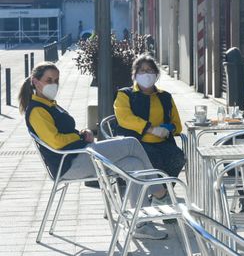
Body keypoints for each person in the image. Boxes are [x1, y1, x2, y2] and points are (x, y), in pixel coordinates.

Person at [18, 62, 168, 240]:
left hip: (81, 155)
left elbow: (64, 133)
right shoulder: (37, 110)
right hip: (70, 164)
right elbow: (56, 141)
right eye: (49, 80)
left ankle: (140, 224)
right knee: (131, 144)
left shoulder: (50, 104)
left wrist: (81, 132)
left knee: (133, 164)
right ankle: (159, 191)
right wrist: (80, 138)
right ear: (35, 82)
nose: (54, 84)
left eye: (56, 80)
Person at [114, 55, 185, 204]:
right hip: (137, 144)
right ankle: (162, 197)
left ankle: (160, 196)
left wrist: (169, 129)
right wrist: (150, 129)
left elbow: (177, 124)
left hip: (162, 142)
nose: (146, 74)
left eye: (150, 70)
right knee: (154, 160)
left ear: (157, 74)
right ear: (135, 74)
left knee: (178, 157)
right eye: (142, 70)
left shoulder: (165, 97)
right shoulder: (125, 95)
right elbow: (124, 118)